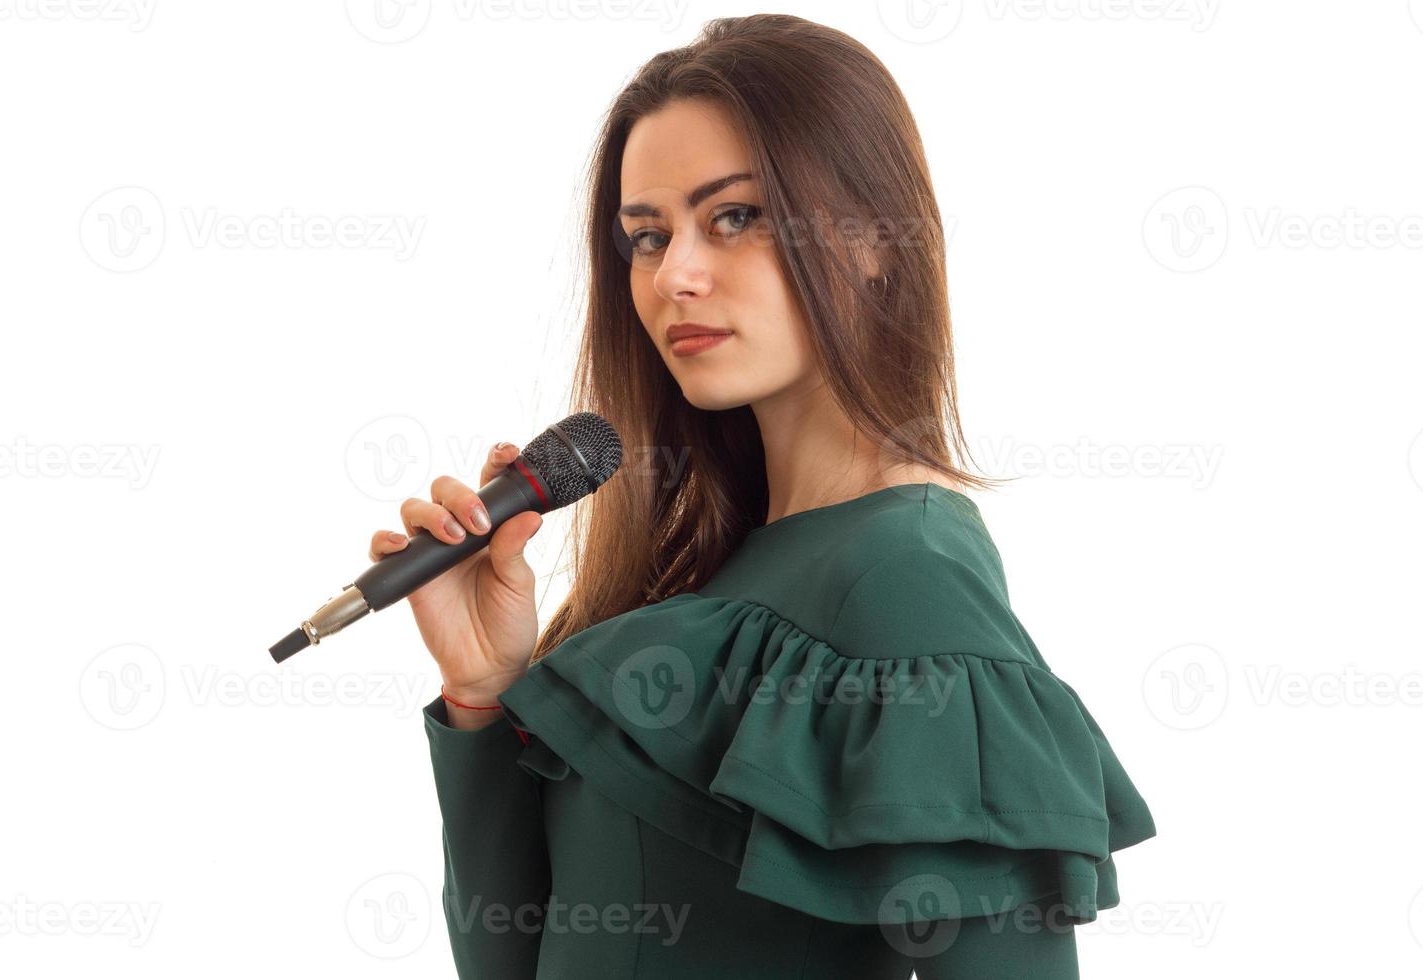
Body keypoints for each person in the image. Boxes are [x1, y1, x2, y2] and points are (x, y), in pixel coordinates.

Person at [370, 14, 1156, 979]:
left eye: (734, 217)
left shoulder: (907, 576)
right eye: (646, 237)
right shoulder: (702, 572)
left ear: (876, 240)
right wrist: (482, 694)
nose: (674, 277)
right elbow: (514, 965)